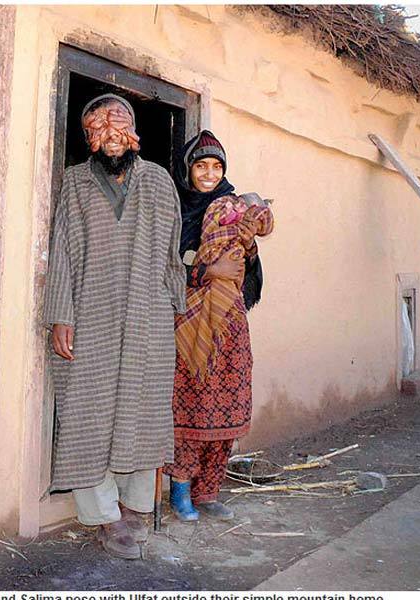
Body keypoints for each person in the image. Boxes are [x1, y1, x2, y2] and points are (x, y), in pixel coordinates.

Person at [44, 93, 186, 559]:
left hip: (147, 314)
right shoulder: (76, 182)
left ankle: (135, 507)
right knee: (88, 411)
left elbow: (172, 254)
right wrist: (60, 314)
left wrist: (173, 308)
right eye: (98, 127)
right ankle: (104, 514)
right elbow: (61, 249)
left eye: (117, 123)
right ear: (87, 137)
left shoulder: (159, 181)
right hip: (91, 314)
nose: (110, 134)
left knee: (142, 409)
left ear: (134, 130)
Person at [164, 130, 274, 521]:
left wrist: (248, 248)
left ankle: (208, 491)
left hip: (230, 324)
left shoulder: (233, 207)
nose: (209, 174)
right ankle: (180, 491)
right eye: (201, 166)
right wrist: (207, 271)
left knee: (227, 406)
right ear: (188, 169)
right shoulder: (173, 210)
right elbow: (161, 265)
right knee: (189, 407)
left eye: (216, 167)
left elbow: (249, 271)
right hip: (189, 324)